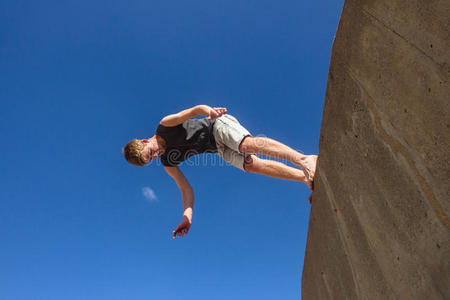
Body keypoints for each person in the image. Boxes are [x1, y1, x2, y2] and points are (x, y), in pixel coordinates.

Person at [123, 105, 317, 239]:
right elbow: (186, 189)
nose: (157, 154)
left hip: (217, 125)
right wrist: (186, 216)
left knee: (246, 145)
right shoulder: (167, 162)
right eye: (153, 158)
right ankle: (305, 178)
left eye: (151, 152)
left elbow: (195, 110)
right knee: (250, 165)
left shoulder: (165, 125)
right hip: (219, 148)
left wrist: (211, 112)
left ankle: (303, 160)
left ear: (144, 141)